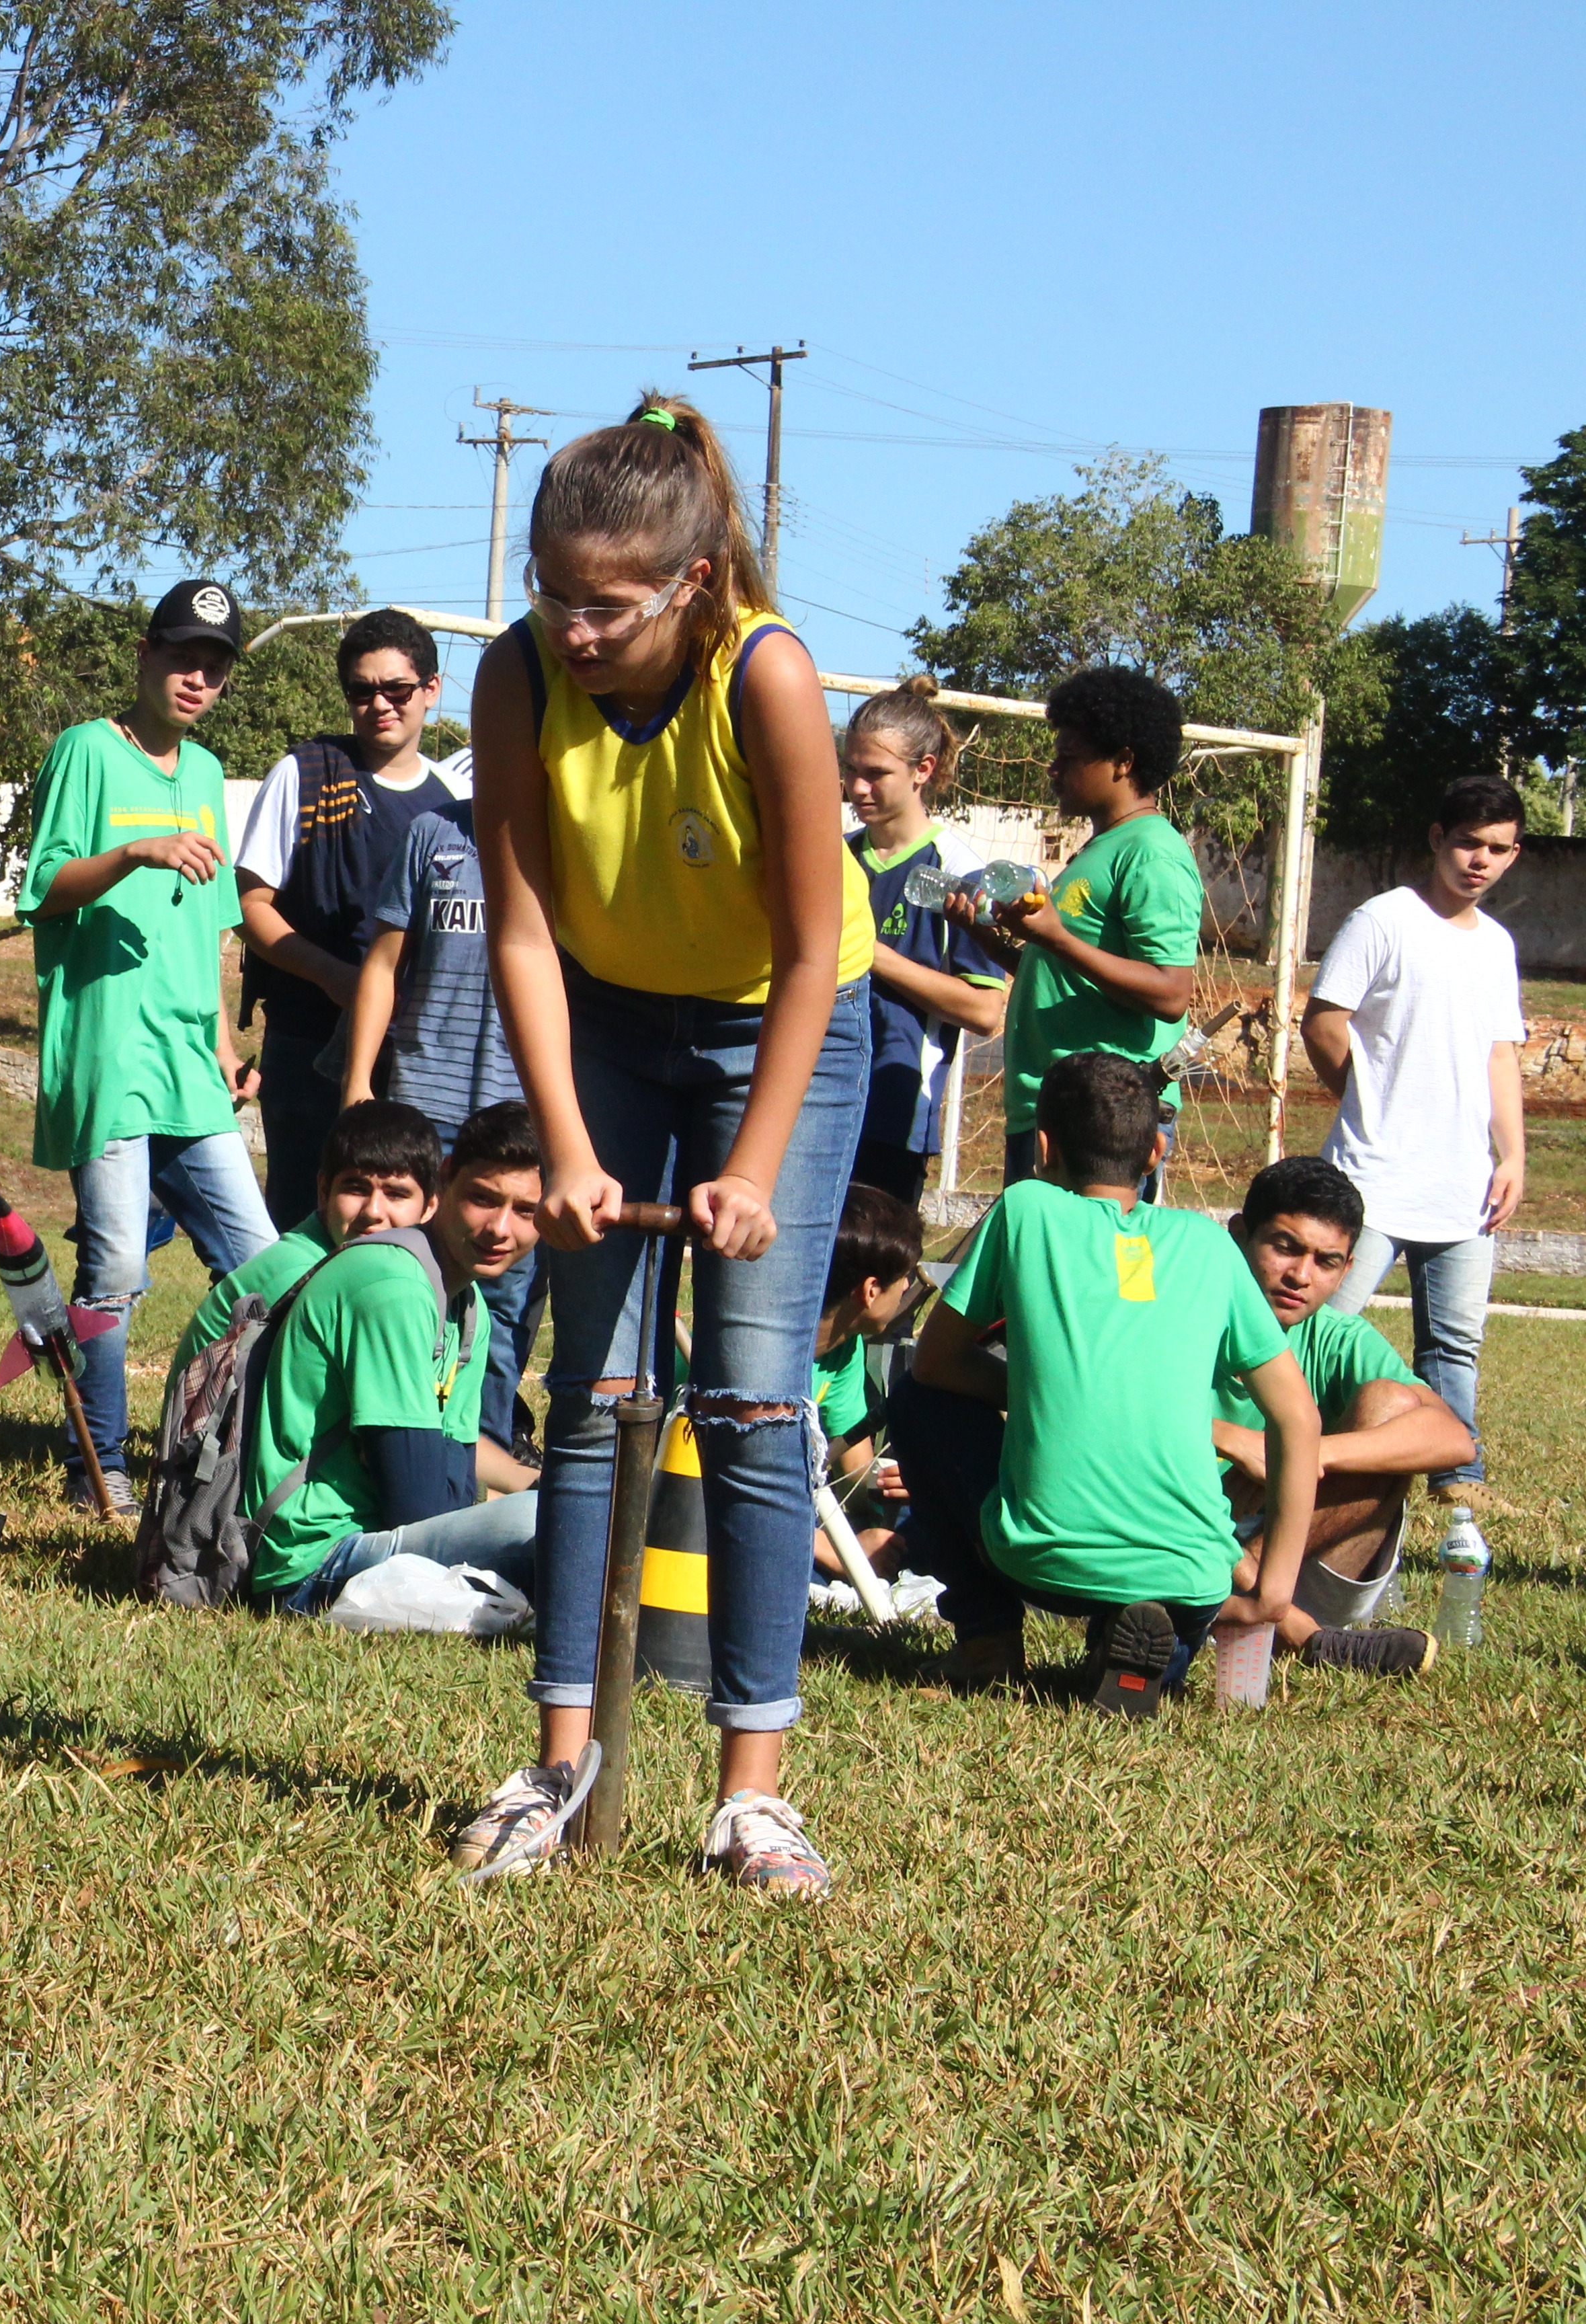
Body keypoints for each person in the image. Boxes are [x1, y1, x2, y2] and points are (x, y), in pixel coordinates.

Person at [446, 395, 874, 1900]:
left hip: (777, 1030)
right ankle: (560, 1765)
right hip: (607, 1017)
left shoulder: (767, 677)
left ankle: (752, 1794)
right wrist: (564, 1142)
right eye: (553, 594)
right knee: (592, 1392)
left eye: (607, 606)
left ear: (692, 584)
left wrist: (750, 1170)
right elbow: (520, 924)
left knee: (753, 1406)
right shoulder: (516, 676)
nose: (572, 626)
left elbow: (819, 957)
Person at [907, 1054, 1318, 1715]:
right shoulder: (1210, 1246)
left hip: (1043, 1557)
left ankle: (990, 1643)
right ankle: (1143, 1656)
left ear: (1043, 1147)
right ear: (1157, 1150)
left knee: (918, 1401)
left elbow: (935, 1365)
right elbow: (1298, 1420)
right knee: (1173, 1606)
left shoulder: (1026, 1212)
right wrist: (1273, 1591)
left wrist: (1041, 1396)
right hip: (1190, 1570)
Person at [25, 578, 281, 1514]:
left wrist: (220, 1039)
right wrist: (134, 853)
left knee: (264, 1266)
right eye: (182, 658)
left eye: (213, 668)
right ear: (144, 654)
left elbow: (213, 926)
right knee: (118, 1269)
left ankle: (230, 1447)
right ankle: (98, 1459)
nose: (196, 678)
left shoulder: (209, 775)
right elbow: (43, 890)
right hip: (106, 1052)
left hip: (187, 1060)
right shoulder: (85, 752)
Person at [234, 1103, 547, 1618]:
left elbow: (454, 1476)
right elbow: (420, 1505)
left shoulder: (470, 1306)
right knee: (557, 1528)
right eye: (482, 1199)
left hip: (383, 1542)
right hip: (313, 1564)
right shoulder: (392, 1285)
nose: (500, 1228)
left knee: (581, 1522)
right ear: (445, 1182)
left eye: (525, 1210)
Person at [1306, 773, 1529, 1494]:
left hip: (1462, 1188)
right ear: (1438, 839)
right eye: (1468, 842)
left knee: (1455, 1345)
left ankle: (1454, 1471)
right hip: (1371, 1176)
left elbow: (1501, 1053)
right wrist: (1362, 1099)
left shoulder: (1497, 946)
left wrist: (1514, 1155)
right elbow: (1325, 1019)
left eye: (1497, 849)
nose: (1480, 860)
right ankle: (1289, 1440)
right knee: (1321, 1325)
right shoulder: (1384, 920)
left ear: (1513, 855)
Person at [341, 747, 534, 1458]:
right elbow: (385, 963)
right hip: (428, 1101)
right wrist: (361, 1081)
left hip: (523, 1119)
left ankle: (475, 1453)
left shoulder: (570, 846)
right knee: (408, 1275)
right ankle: (389, 1441)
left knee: (503, 1304)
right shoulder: (433, 833)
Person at [1214, 1157, 1468, 1676]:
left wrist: (1297, 1454)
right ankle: (1301, 1636)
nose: (1300, 1276)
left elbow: (1454, 1440)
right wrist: (1222, 1436)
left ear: (1347, 1269)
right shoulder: (1185, 1310)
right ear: (1239, 1234)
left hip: (1287, 1558)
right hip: (1178, 1531)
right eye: (1284, 1246)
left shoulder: (1336, 1336)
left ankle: (1241, 1607)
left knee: (1393, 1408)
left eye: (1326, 1261)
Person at [237, 609, 450, 1209]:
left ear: (430, 691)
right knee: (307, 1218)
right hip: (309, 1042)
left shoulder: (455, 803)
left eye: (398, 689)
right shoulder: (304, 774)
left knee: (406, 1225)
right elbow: (250, 906)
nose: (380, 704)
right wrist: (335, 978)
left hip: (414, 1053)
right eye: (362, 691)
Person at [972, 667, 1201, 1190]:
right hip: (1051, 1107)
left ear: (1124, 761)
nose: (1053, 770)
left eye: (1069, 757)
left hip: (1104, 1119)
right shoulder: (1099, 849)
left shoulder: (1152, 852)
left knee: (1081, 1270)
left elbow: (1170, 993)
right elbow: (1067, 972)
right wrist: (991, 938)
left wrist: (1056, 936)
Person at [841, 678, 1009, 1205]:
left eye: (876, 774)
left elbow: (985, 1011)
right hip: (812, 1099)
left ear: (924, 771)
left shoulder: (958, 872)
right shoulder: (832, 856)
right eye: (850, 771)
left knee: (866, 1277)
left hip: (892, 1113)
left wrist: (874, 957)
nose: (858, 788)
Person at [803, 1184, 924, 1584]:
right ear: (871, 1291)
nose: (907, 1288)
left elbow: (854, 1473)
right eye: (903, 1278)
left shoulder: (844, 1348)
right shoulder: (769, 1359)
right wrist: (843, 1554)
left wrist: (910, 1480)